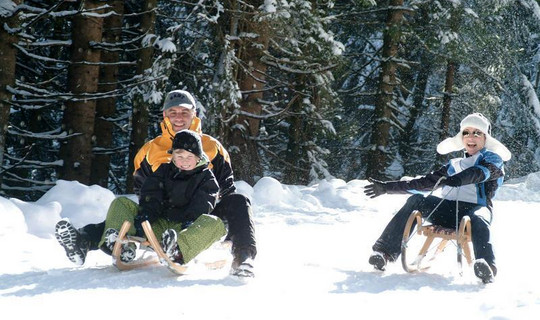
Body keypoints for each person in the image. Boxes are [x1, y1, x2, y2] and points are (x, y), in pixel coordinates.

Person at [55, 90, 257, 276]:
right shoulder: (150, 150)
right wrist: (152, 212)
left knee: (239, 201)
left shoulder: (212, 147)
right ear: (165, 115)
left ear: (194, 114)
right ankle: (86, 240)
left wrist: (216, 220)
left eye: (184, 112)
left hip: (201, 213)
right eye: (173, 112)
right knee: (126, 209)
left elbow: (227, 189)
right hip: (160, 212)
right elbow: (144, 190)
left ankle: (243, 258)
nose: (179, 117)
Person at [364, 113, 511, 283]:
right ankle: (385, 252)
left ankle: (486, 265)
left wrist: (460, 179)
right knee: (416, 200)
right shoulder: (453, 165)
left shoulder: (493, 159)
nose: (470, 137)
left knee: (479, 217)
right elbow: (423, 184)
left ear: (485, 138)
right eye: (466, 132)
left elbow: (481, 173)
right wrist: (386, 188)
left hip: (474, 210)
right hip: (447, 210)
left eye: (477, 132)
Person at [100, 130, 226, 265]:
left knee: (215, 223)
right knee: (121, 203)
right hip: (158, 225)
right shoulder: (164, 171)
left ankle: (177, 250)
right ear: (173, 156)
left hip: (185, 230)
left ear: (198, 157)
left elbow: (202, 203)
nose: (184, 161)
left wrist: (189, 225)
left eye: (189, 156)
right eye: (180, 156)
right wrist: (146, 217)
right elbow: (152, 194)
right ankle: (121, 245)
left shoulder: (206, 177)